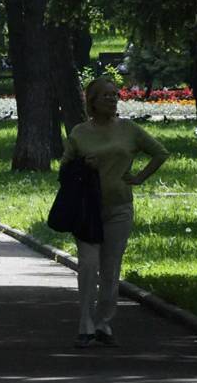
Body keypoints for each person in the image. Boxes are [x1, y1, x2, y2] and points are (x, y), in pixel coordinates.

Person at [62, 76, 169, 349]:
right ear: (92, 102)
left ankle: (104, 323)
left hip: (119, 208)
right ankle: (84, 323)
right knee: (88, 265)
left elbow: (160, 153)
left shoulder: (129, 129)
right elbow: (64, 171)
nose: (112, 99)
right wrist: (84, 164)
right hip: (87, 210)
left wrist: (139, 177)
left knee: (110, 269)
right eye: (105, 95)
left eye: (115, 94)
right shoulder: (79, 133)